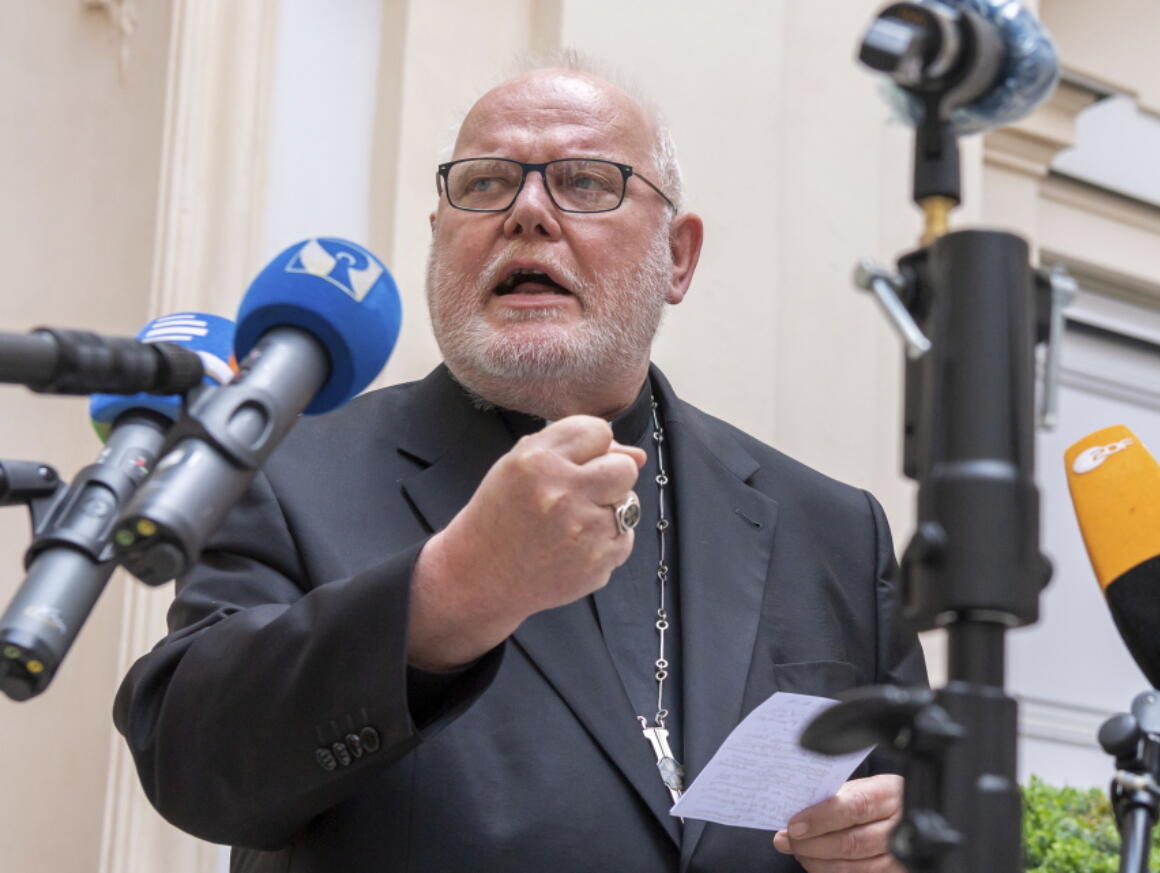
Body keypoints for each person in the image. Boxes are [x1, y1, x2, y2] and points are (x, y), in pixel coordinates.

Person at [114, 58, 926, 873]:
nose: (528, 212)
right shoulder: (287, 470)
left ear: (678, 258)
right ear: (439, 235)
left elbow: (917, 808)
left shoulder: (832, 530)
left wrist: (903, 848)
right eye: (486, 182)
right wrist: (448, 594)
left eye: (583, 182)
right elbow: (193, 767)